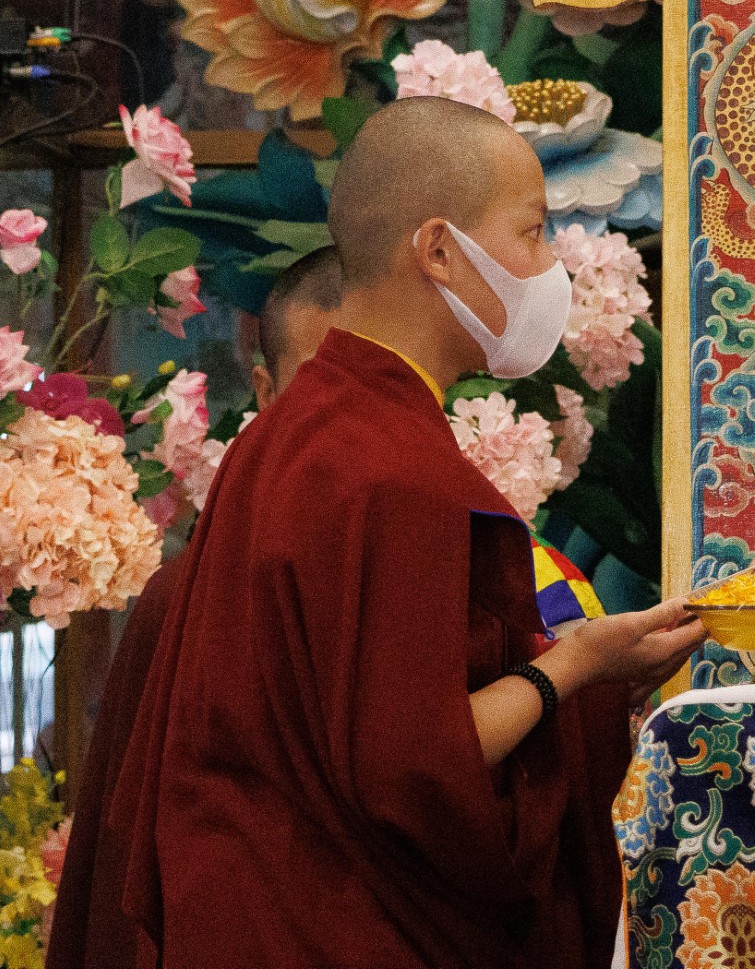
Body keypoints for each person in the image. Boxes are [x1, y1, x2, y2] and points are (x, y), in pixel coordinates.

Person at [113, 96, 706, 968]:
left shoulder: (286, 435)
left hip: (247, 913)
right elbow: (418, 768)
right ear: (438, 250)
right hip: (340, 932)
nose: (549, 266)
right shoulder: (392, 465)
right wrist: (578, 665)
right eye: (533, 231)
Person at [48, 245, 343, 969]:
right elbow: (123, 872)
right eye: (325, 390)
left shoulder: (459, 564)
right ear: (267, 392)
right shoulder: (186, 598)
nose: (350, 422)